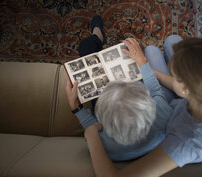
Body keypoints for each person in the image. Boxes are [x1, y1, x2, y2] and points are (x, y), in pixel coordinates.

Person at [83, 36, 202, 177]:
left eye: (175, 76)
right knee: (171, 40)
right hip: (177, 104)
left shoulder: (182, 144)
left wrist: (90, 133)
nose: (172, 77)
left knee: (153, 50)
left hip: (172, 110)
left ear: (186, 90)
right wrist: (145, 67)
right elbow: (177, 86)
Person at [66, 15, 173, 161]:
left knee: (87, 47)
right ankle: (96, 37)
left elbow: (92, 127)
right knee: (151, 50)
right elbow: (155, 91)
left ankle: (97, 37)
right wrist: (142, 62)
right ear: (149, 106)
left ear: (102, 121)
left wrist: (76, 109)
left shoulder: (98, 146)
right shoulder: (163, 117)